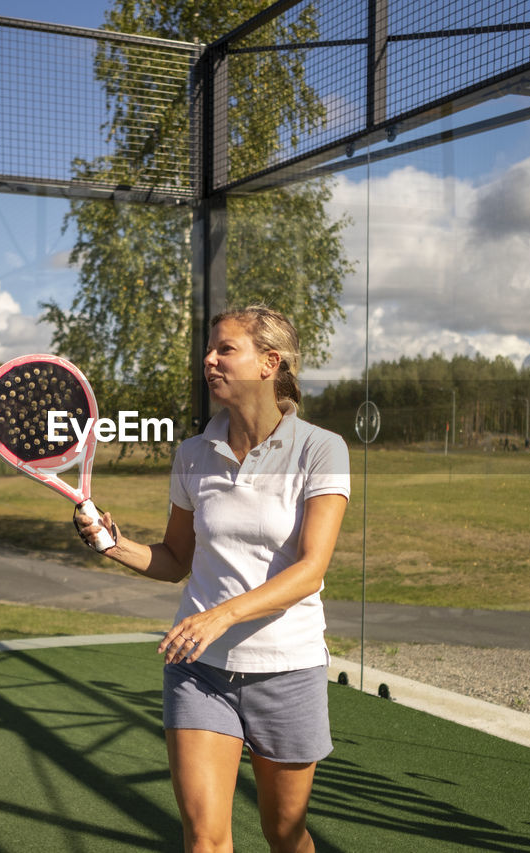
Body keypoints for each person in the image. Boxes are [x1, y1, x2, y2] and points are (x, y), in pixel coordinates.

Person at [74, 305, 350, 853]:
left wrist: (221, 615)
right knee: (203, 839)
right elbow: (176, 557)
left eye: (226, 349)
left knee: (284, 832)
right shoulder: (193, 455)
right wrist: (112, 544)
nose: (209, 359)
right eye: (210, 349)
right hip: (199, 671)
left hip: (287, 669)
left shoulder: (322, 449)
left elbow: (309, 570)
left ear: (270, 362)